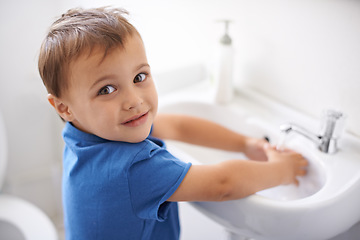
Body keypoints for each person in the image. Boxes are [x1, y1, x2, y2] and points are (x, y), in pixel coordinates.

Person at [38, 7, 308, 240]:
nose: (134, 100)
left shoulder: (86, 132)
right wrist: (282, 170)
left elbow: (178, 127)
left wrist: (245, 143)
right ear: (64, 107)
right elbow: (223, 185)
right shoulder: (132, 168)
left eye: (139, 77)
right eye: (107, 90)